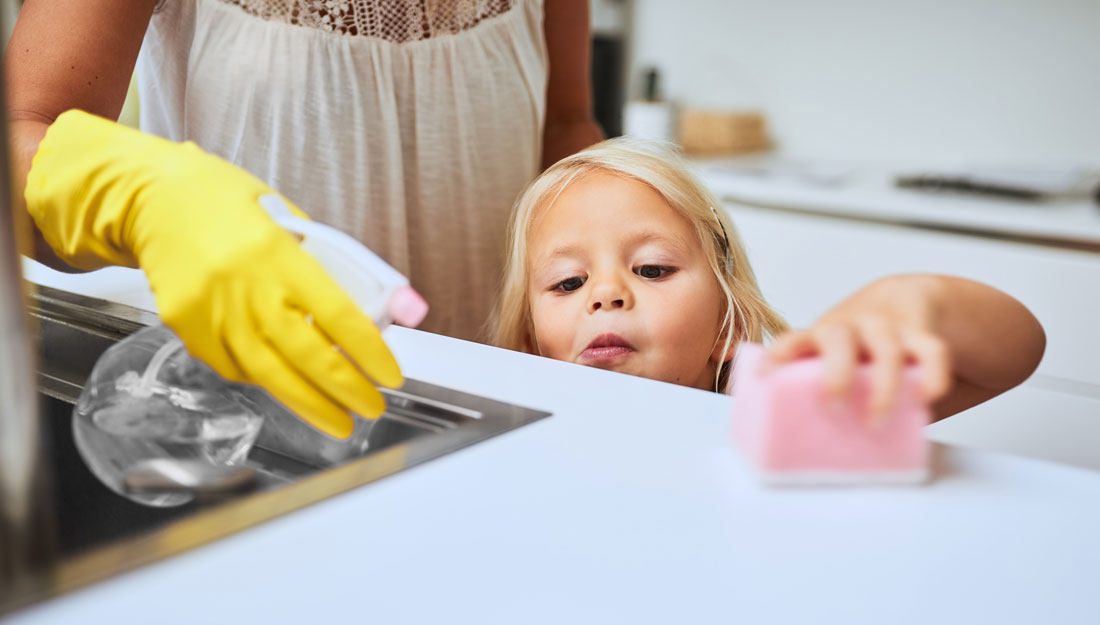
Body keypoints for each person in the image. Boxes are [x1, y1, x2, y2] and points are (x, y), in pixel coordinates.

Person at [5, 0, 603, 438]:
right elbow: (20, 134)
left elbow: (566, 125)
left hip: (504, 424)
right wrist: (135, 195)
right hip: (245, 429)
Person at [491, 138, 1047, 420]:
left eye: (653, 269)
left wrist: (910, 300)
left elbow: (1015, 354)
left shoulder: (772, 403)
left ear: (725, 327)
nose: (606, 293)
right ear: (530, 344)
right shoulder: (516, 419)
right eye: (568, 282)